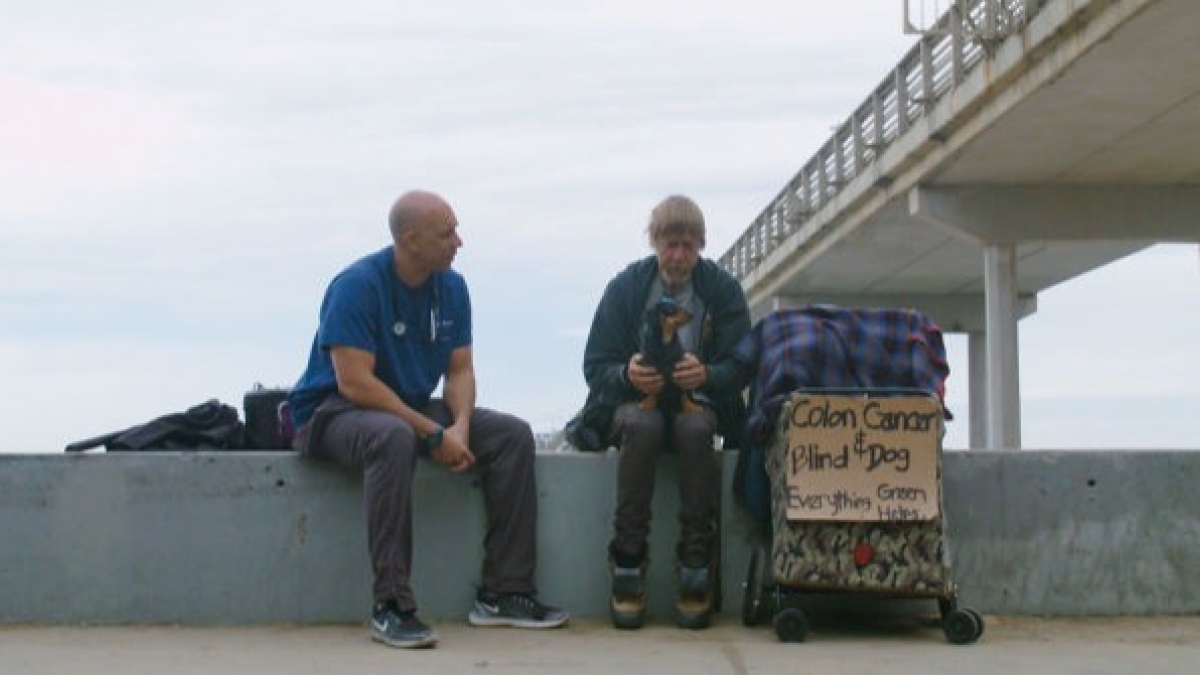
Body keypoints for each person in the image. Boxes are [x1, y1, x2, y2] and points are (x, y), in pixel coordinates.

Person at [287, 189, 568, 649]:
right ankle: (392, 605)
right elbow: (355, 383)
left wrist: (457, 426)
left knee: (511, 435)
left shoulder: (452, 287)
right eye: (448, 233)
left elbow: (459, 370)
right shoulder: (357, 285)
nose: (459, 241)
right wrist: (431, 432)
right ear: (411, 240)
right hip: (335, 410)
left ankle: (506, 594)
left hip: (409, 407)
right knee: (393, 437)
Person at [576, 195, 751, 630]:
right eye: (670, 244)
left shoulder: (722, 290)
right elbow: (595, 366)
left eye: (689, 246)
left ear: (701, 246)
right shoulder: (626, 287)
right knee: (642, 425)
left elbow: (745, 364)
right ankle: (628, 562)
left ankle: (696, 563)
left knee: (694, 431)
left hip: (700, 406)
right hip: (635, 406)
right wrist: (626, 375)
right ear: (654, 242)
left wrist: (707, 375)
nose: (678, 256)